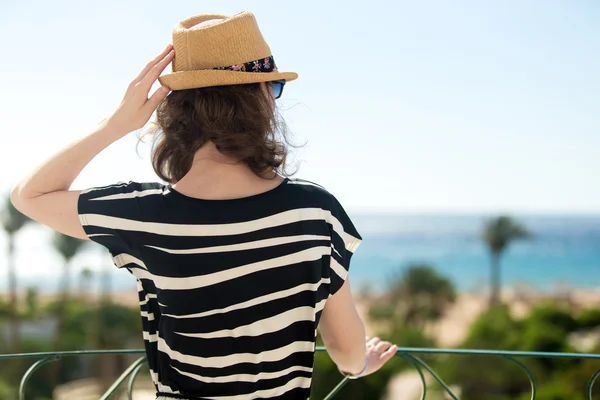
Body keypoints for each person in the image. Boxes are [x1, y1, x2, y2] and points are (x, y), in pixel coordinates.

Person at [11, 11, 397, 400]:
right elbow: (347, 353)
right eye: (275, 87)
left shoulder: (143, 215)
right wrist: (361, 364)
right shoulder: (316, 212)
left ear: (177, 109)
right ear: (260, 98)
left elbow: (29, 196)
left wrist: (115, 124)